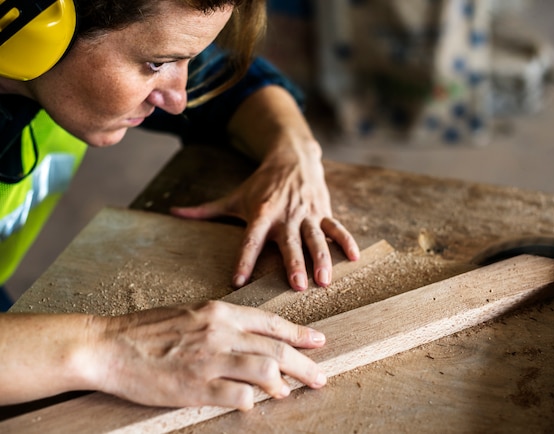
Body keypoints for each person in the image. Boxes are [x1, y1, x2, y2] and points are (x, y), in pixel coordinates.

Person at [0, 0, 360, 410]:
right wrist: (106, 347)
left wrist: (294, 151)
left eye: (182, 62)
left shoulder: (37, 58)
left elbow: (232, 82)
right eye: (156, 65)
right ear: (33, 29)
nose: (177, 97)